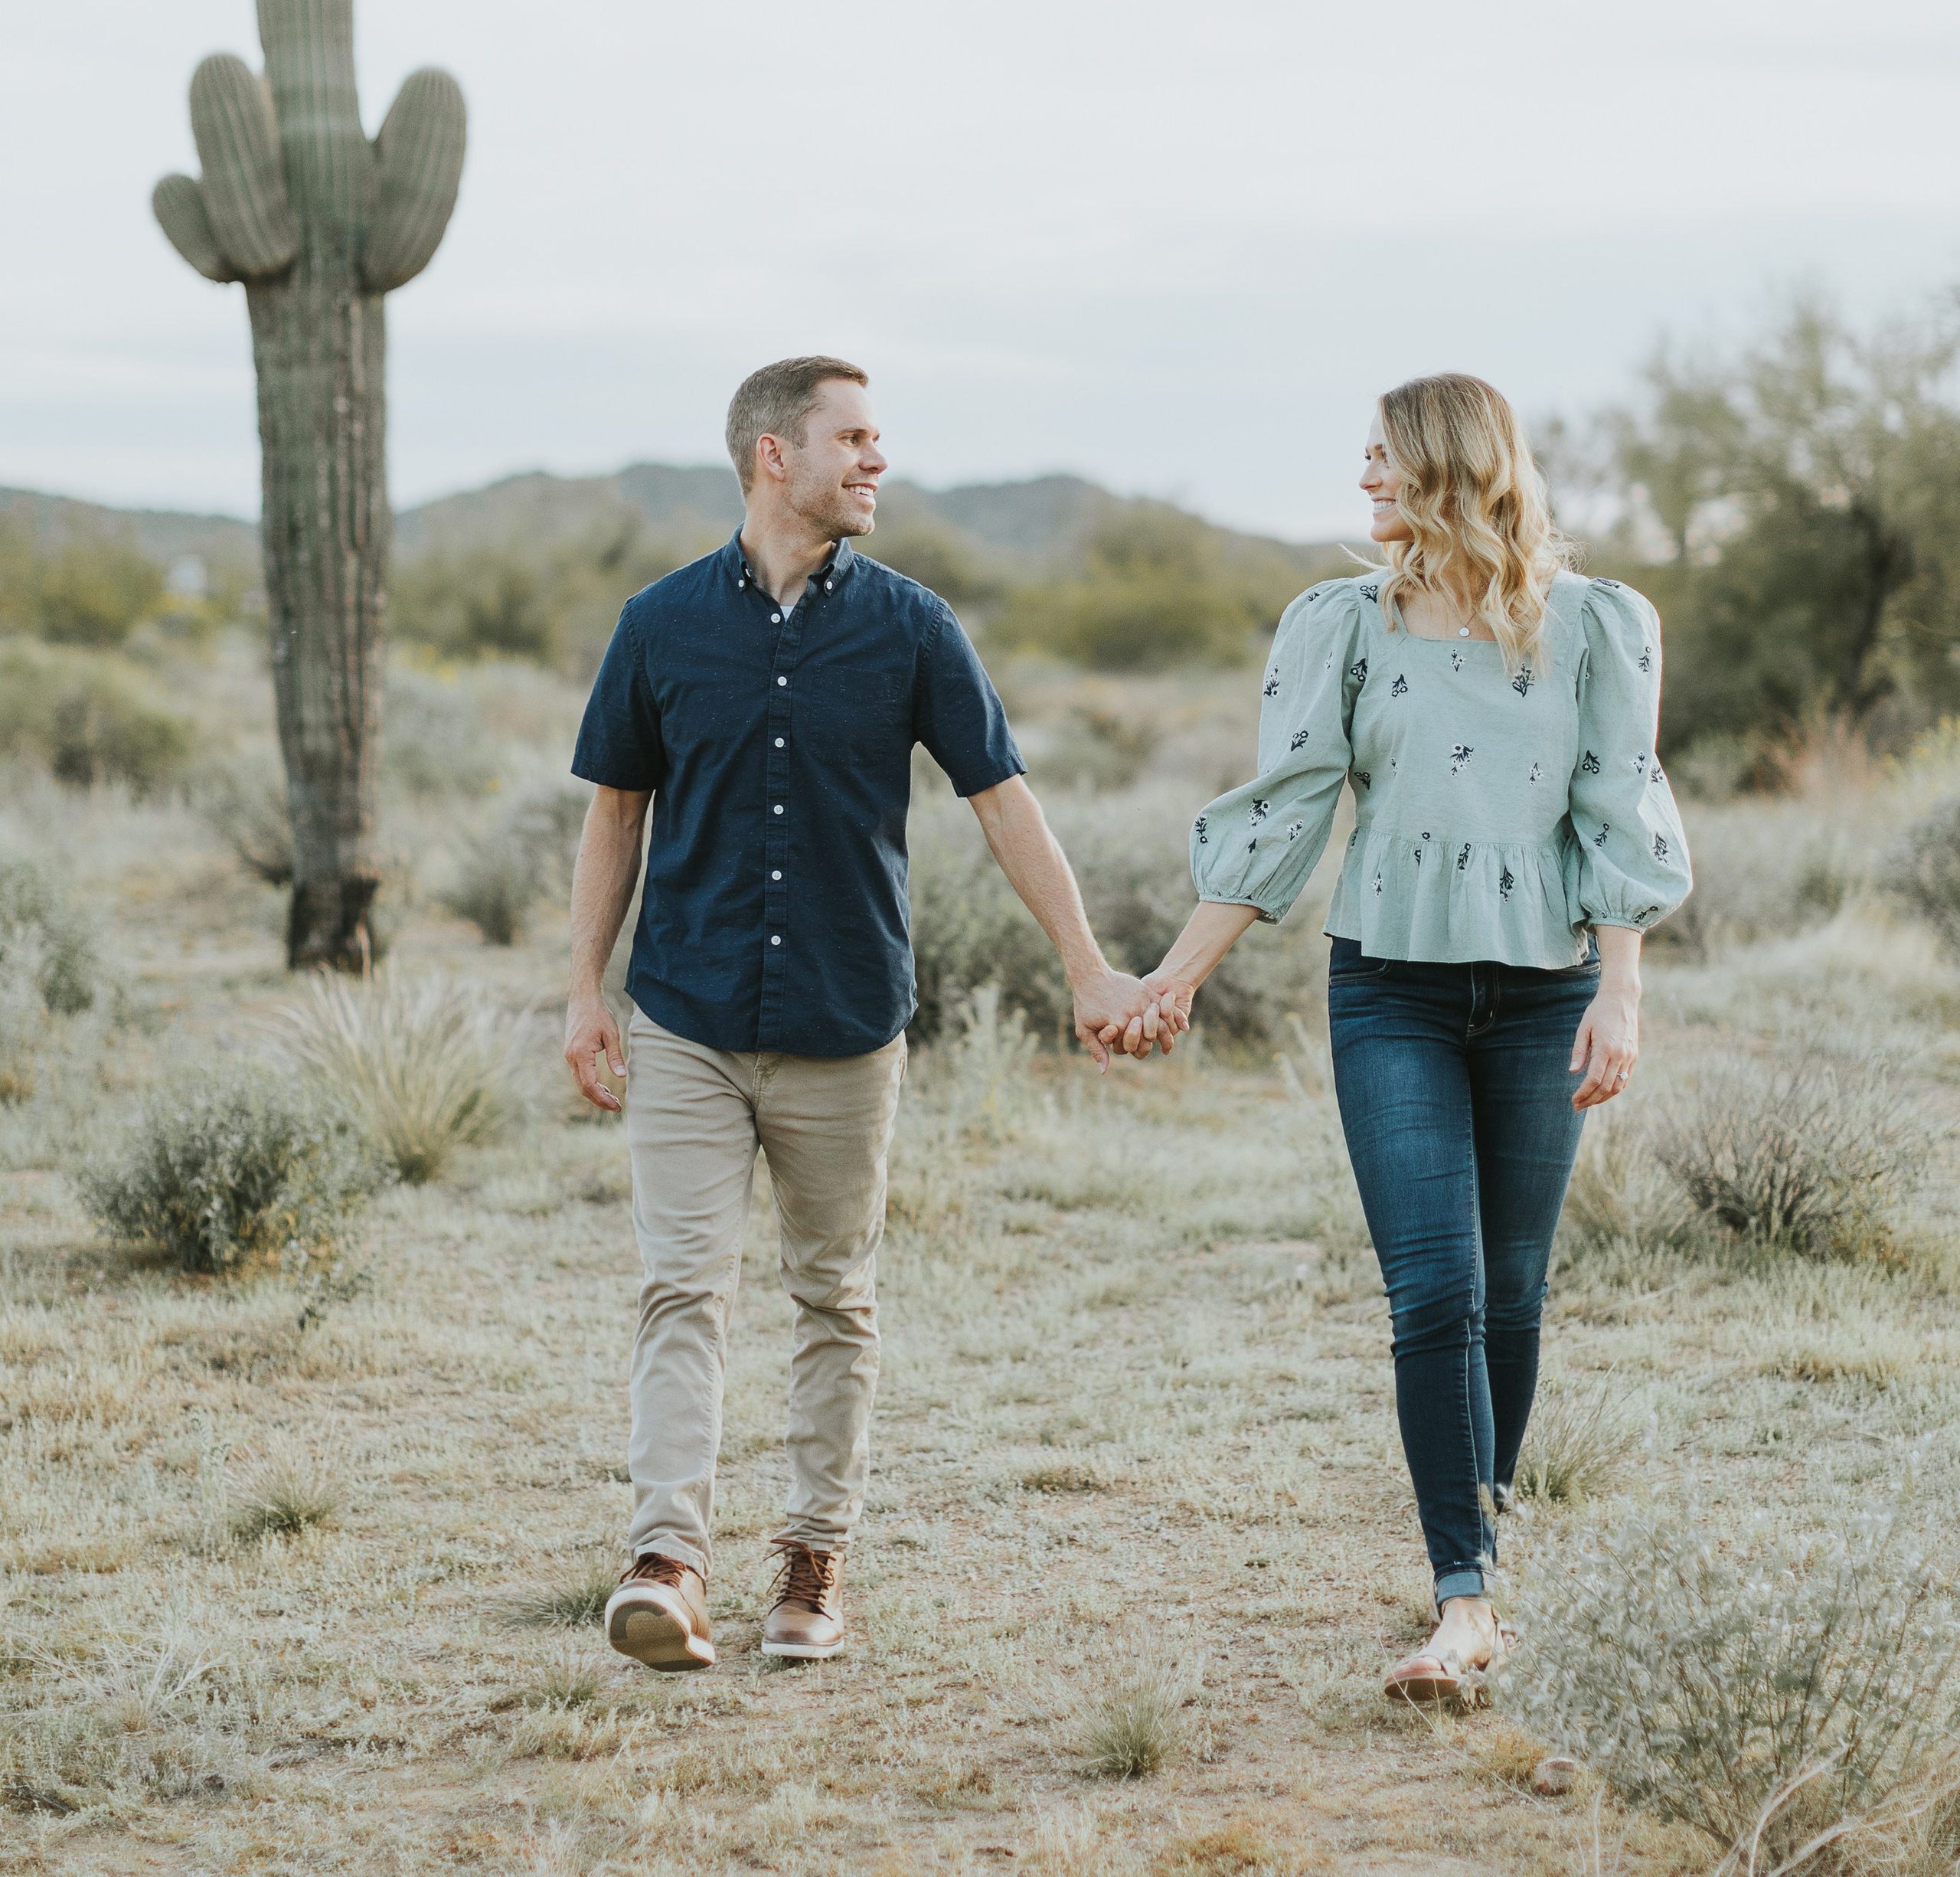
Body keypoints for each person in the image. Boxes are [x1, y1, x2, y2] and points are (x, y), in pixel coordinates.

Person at [562, 355, 1155, 1675]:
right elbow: (615, 814)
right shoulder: (659, 626)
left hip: (845, 1024)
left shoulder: (912, 627)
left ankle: (812, 1564)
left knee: (835, 1298)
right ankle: (666, 1560)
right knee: (682, 1287)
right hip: (687, 1020)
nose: (878, 461)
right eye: (856, 438)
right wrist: (582, 994)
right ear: (777, 455)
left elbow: (1004, 801)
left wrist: (1087, 966)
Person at [1114, 373, 1690, 1702]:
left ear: (1450, 468)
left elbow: (1621, 809)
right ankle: (1467, 1598)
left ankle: (1479, 1538)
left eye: (1385, 460)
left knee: (1514, 1293)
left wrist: (1623, 992)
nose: (1364, 481)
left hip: (1546, 993)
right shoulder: (1341, 628)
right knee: (1435, 1288)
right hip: (1392, 991)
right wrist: (1177, 976)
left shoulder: (1599, 627)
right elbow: (1286, 810)